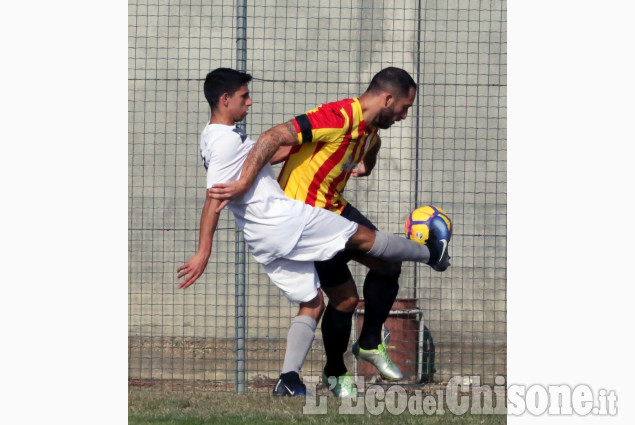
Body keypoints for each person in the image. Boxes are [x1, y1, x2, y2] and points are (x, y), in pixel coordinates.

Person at [178, 68, 450, 397]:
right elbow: (263, 147)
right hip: (297, 216)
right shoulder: (332, 117)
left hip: (292, 223)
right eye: (405, 107)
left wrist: (361, 164)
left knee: (322, 297)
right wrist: (204, 249)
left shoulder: (367, 129)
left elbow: (275, 152)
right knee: (358, 271)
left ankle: (300, 374)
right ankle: (431, 255)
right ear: (387, 98)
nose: (250, 102)